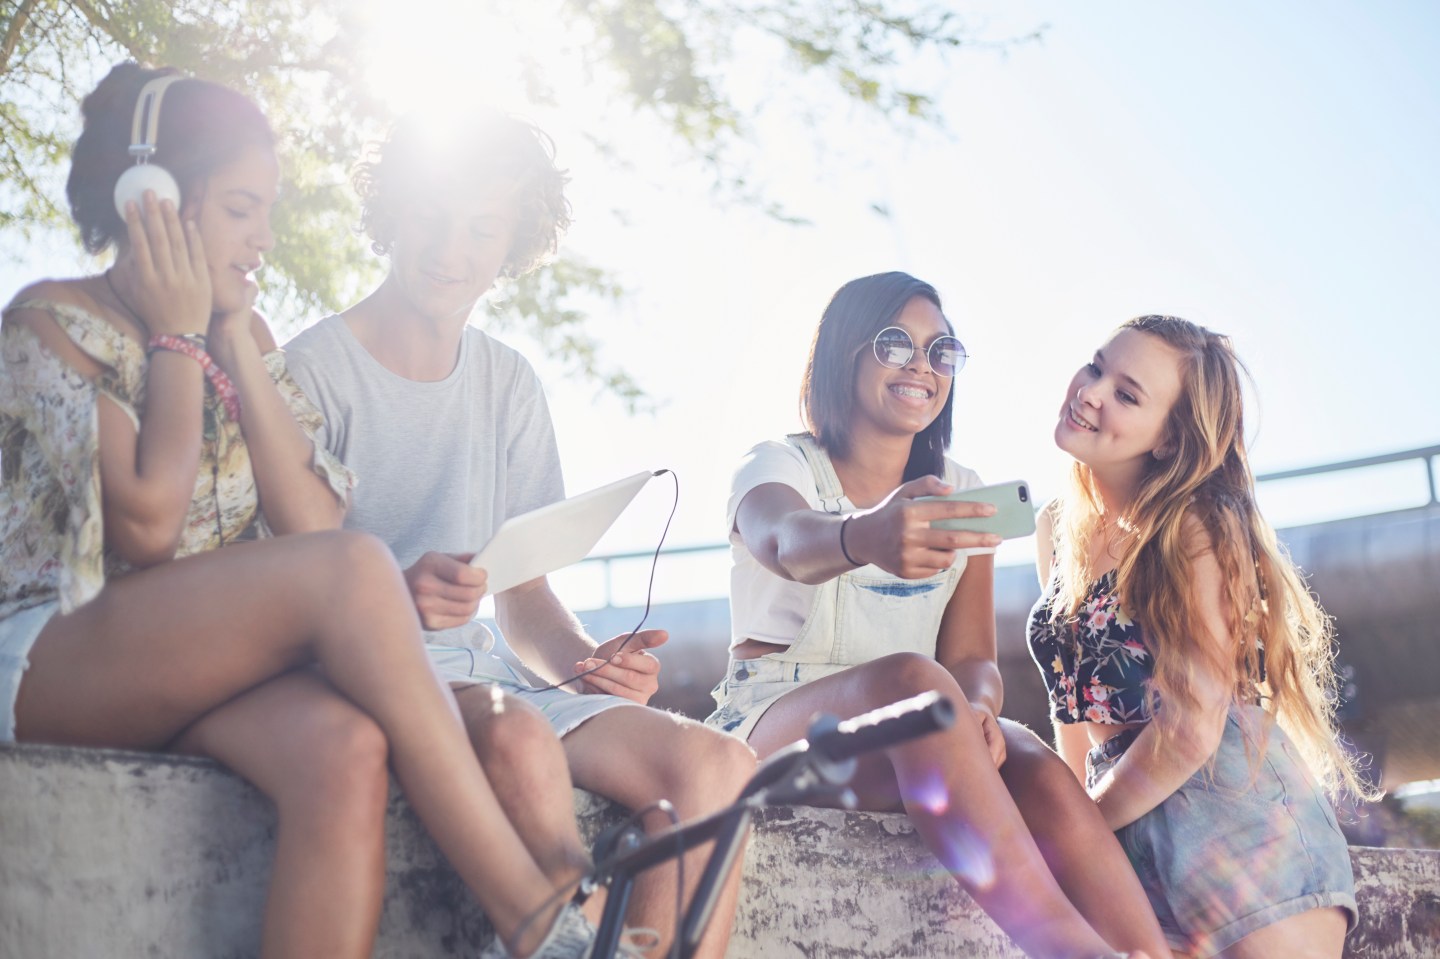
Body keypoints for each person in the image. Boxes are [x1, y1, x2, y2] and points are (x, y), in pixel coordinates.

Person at [0, 63, 642, 959]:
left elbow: (306, 522)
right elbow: (148, 525)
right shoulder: (47, 325)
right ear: (152, 200)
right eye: (239, 209)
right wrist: (179, 335)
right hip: (54, 660)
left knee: (343, 750)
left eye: (268, 209)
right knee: (356, 568)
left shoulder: (244, 337)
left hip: (196, 666)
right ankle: (542, 922)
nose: (263, 236)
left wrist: (230, 336)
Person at [283, 112, 756, 959]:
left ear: (511, 247)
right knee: (519, 734)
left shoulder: (509, 384)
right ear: (391, 208)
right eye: (431, 212)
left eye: (482, 228)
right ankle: (561, 930)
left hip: (496, 676)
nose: (450, 246)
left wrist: (585, 662)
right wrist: (396, 589)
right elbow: (276, 587)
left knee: (718, 767)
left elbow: (525, 595)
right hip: (376, 678)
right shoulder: (313, 372)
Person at [704, 271, 1171, 959]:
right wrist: (863, 536)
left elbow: (972, 659)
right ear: (844, 352)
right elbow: (783, 540)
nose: (922, 365)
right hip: (770, 733)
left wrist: (978, 708)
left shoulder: (963, 491)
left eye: (942, 351)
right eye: (895, 344)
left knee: (1031, 758)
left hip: (925, 725)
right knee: (914, 689)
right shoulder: (778, 462)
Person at [1029, 315, 1365, 958]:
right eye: (1097, 365)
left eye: (1128, 394)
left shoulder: (1195, 527)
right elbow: (1068, 704)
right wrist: (1075, 831)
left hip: (1244, 839)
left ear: (1169, 438)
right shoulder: (1057, 528)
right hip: (1128, 830)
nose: (1091, 391)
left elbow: (1191, 724)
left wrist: (1080, 831)